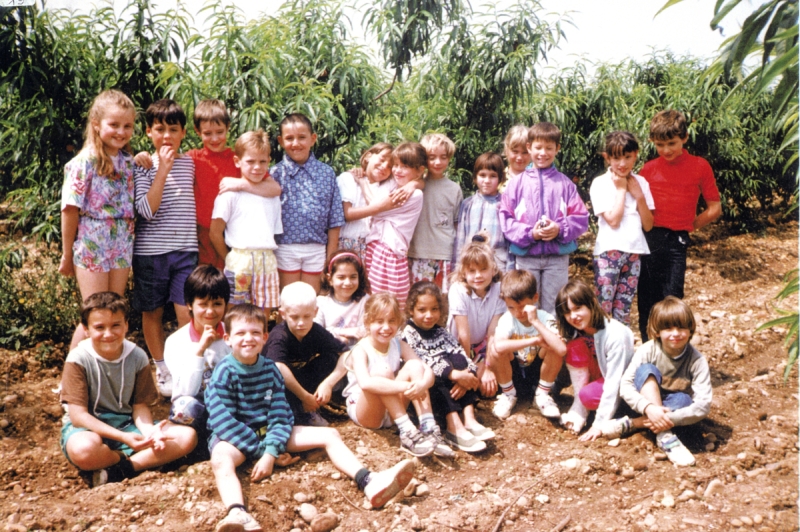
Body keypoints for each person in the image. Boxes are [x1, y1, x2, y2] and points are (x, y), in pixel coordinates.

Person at [207, 304, 416, 532]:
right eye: (241, 333)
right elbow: (223, 421)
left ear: (265, 337)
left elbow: (280, 413)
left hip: (271, 434)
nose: (249, 339)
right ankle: (237, 512)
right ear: (227, 338)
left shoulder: (271, 369)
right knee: (219, 457)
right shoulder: (224, 372)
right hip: (237, 439)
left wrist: (270, 451)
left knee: (330, 434)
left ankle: (368, 481)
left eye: (255, 333)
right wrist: (262, 452)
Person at [59, 292, 197, 488]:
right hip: (87, 429)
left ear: (126, 325)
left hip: (126, 424)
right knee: (84, 450)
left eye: (116, 325)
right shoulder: (78, 359)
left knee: (186, 437)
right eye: (99, 327)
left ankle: (122, 469)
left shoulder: (137, 356)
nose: (108, 334)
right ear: (86, 330)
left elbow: (139, 406)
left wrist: (149, 432)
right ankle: (125, 459)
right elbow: (78, 416)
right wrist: (124, 439)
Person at [134, 99, 281, 270]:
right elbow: (163, 159)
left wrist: (241, 184)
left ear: (228, 127)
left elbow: (275, 188)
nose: (215, 138)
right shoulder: (192, 159)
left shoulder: (239, 159)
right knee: (208, 285)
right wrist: (142, 156)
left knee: (233, 282)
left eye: (220, 132)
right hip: (201, 236)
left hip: (234, 233)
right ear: (197, 131)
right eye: (208, 133)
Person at [59, 89, 137, 351]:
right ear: (96, 124)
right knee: (94, 315)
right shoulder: (84, 162)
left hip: (121, 245)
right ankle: (72, 381)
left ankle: (106, 377)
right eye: (114, 124)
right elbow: (69, 210)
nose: (121, 131)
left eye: (127, 126)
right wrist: (66, 254)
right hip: (93, 242)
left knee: (114, 314)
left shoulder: (128, 162)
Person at [132, 98, 197, 397]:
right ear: (148, 132)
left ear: (184, 132)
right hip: (150, 253)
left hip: (185, 250)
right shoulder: (143, 165)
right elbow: (146, 210)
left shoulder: (191, 162)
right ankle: (163, 367)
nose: (167, 135)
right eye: (160, 129)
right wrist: (160, 169)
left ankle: (189, 366)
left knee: (187, 311)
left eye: (173, 129)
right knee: (153, 312)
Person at [637, 110, 721, 340]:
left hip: (677, 242)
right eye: (660, 144)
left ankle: (672, 354)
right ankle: (649, 353)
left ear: (684, 137)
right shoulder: (648, 169)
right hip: (650, 238)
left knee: (672, 299)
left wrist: (689, 225)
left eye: (672, 143)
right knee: (646, 299)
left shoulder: (700, 166)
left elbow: (715, 208)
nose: (666, 150)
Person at [499, 122, 589, 314]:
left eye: (549, 148)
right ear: (529, 147)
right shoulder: (517, 184)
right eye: (538, 147)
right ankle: (528, 344)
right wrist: (530, 233)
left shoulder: (565, 184)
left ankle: (551, 343)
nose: (543, 153)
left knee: (555, 308)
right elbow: (506, 219)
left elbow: (581, 217)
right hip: (526, 257)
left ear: (557, 148)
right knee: (526, 306)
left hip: (557, 257)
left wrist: (560, 229)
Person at [342, 293, 439, 458]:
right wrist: (406, 386)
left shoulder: (399, 344)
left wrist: (422, 384)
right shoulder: (360, 350)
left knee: (415, 365)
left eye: (391, 321)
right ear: (367, 322)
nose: (386, 327)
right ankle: (407, 431)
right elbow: (365, 383)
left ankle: (428, 426)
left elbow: (426, 370)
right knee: (382, 372)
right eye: (379, 321)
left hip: (392, 409)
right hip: (367, 412)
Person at [618, 296, 712, 466]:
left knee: (684, 399)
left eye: (681, 327)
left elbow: (703, 404)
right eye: (668, 328)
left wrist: (667, 418)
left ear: (690, 330)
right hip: (644, 400)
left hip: (672, 408)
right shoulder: (648, 350)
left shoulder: (697, 360)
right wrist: (649, 407)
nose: (675, 333)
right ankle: (666, 436)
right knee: (647, 370)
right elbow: (625, 385)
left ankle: (645, 426)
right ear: (657, 331)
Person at [402, 282, 494, 453]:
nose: (429, 315)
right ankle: (453, 426)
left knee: (459, 361)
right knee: (436, 373)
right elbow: (425, 361)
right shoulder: (408, 334)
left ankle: (469, 418)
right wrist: (455, 376)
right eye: (422, 310)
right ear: (411, 310)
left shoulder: (441, 331)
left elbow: (459, 351)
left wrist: (468, 374)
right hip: (431, 393)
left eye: (434, 309)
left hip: (453, 385)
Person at [270, 113, 345, 293]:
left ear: (313, 139)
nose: (296, 143)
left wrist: (330, 258)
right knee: (288, 303)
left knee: (312, 301)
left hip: (316, 249)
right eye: (289, 138)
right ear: (281, 141)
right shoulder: (274, 174)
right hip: (285, 247)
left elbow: (334, 221)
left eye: (302, 137)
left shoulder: (326, 173)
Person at [209, 130, 282, 313]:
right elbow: (215, 232)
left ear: (269, 161)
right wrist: (230, 259)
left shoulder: (272, 196)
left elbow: (273, 232)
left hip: (266, 259)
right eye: (250, 161)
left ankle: (262, 342)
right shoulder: (229, 194)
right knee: (235, 310)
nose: (257, 167)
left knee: (263, 311)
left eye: (262, 161)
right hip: (239, 259)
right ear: (237, 161)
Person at [553, 279, 634, 440]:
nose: (573, 316)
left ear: (591, 303)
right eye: (568, 312)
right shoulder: (577, 331)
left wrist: (599, 424)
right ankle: (578, 407)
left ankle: (603, 409)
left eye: (578, 308)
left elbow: (614, 381)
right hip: (597, 373)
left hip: (622, 384)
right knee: (571, 345)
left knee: (587, 396)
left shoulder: (615, 334)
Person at [163, 265, 230, 453]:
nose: (210, 311)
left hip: (229, 407)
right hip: (198, 409)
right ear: (190, 304)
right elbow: (184, 392)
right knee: (185, 406)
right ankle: (194, 448)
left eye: (217, 304)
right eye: (203, 304)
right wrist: (200, 350)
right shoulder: (176, 341)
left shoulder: (233, 335)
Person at [590, 131, 654, 325]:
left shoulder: (641, 183)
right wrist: (621, 190)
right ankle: (598, 351)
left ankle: (621, 350)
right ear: (607, 157)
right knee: (603, 306)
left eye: (628, 157)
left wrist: (639, 196)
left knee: (623, 309)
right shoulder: (600, 183)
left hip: (634, 253)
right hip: (609, 253)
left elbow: (648, 225)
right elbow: (613, 220)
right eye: (616, 158)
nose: (623, 163)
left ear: (636, 154)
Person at [263, 282, 348, 427]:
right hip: (272, 387)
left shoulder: (315, 330)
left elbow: (347, 353)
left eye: (306, 316)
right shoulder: (279, 335)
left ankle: (310, 406)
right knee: (278, 377)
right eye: (295, 317)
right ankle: (298, 411)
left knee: (330, 358)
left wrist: (328, 383)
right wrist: (305, 397)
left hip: (300, 379)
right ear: (283, 314)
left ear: (315, 312)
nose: (301, 323)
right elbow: (278, 367)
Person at [489, 270, 567, 420]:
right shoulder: (507, 319)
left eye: (522, 307)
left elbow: (561, 350)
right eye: (511, 307)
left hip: (537, 374)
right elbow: (498, 347)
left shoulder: (545, 317)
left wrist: (535, 322)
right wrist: (535, 340)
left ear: (535, 298)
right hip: (514, 374)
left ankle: (543, 396)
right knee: (495, 347)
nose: (517, 313)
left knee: (554, 344)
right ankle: (508, 395)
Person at [363, 142, 426, 309]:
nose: (397, 170)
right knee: (371, 302)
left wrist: (361, 183)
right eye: (396, 165)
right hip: (373, 248)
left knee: (393, 305)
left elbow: (375, 208)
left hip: (391, 254)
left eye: (404, 166)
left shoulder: (415, 195)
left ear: (419, 170)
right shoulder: (394, 184)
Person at [448, 234, 506, 397]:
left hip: (482, 348)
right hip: (458, 348)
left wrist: (488, 367)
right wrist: (467, 371)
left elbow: (493, 333)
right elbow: (463, 335)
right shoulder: (457, 289)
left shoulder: (499, 289)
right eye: (472, 271)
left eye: (483, 269)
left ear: (493, 269)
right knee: (470, 383)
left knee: (488, 389)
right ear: (464, 272)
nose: (478, 276)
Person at [407, 134, 463, 294]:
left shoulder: (454, 189)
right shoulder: (414, 185)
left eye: (443, 157)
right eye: (432, 157)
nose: (438, 162)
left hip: (444, 254)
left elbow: (456, 224)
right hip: (417, 252)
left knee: (442, 302)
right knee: (418, 301)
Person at [336, 142, 395, 257]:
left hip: (369, 247)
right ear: (368, 156)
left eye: (390, 167)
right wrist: (378, 208)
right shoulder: (349, 178)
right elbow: (346, 214)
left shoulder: (384, 187)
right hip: (345, 242)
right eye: (382, 160)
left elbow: (418, 179)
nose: (384, 167)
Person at [453, 153, 510, 271]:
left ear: (501, 178)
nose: (487, 180)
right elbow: (460, 238)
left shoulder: (505, 203)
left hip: (498, 263)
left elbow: (509, 240)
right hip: (471, 263)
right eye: (482, 175)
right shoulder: (467, 204)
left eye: (493, 176)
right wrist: (457, 268)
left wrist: (510, 268)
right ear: (475, 177)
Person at [315, 250, 370, 347]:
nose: (348, 283)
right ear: (330, 279)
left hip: (359, 352)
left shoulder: (365, 301)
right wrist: (342, 332)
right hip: (330, 352)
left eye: (353, 277)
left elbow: (368, 329)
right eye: (341, 277)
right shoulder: (321, 302)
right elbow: (316, 331)